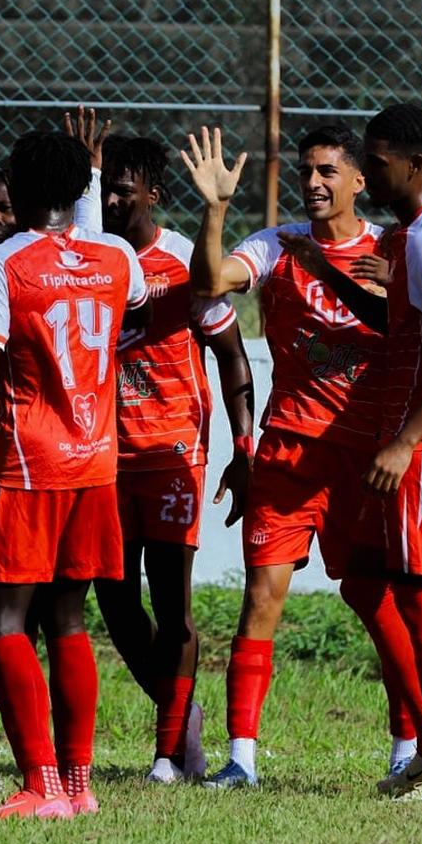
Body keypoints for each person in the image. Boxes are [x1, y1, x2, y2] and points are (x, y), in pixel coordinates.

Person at [0, 129, 149, 819]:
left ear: (15, 192)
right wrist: (89, 198)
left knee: (3, 620)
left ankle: (38, 784)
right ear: (84, 191)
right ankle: (79, 789)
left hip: (27, 464)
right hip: (97, 463)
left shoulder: (3, 262)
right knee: (71, 620)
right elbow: (127, 291)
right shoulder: (117, 258)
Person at [281, 103, 422, 804]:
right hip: (411, 436)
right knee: (381, 582)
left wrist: (407, 441)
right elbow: (394, 322)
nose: (366, 170)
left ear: (414, 164)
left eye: (375, 159)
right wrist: (326, 272)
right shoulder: (415, 237)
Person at [178, 125, 388, 788]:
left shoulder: (391, 250)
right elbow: (211, 279)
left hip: (367, 458)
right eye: (305, 172)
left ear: (359, 180)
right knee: (262, 597)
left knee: (378, 601)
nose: (314, 183)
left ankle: (410, 744)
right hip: (290, 449)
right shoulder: (276, 244)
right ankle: (242, 758)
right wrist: (215, 209)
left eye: (328, 171)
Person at [88, 133, 254, 784]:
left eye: (122, 189)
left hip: (170, 447)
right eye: (102, 189)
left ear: (153, 195)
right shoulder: (91, 259)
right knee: (116, 601)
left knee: (171, 600)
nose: (108, 200)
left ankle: (166, 755)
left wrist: (244, 450)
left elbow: (234, 357)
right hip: (102, 454)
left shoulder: (184, 261)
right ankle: (182, 718)